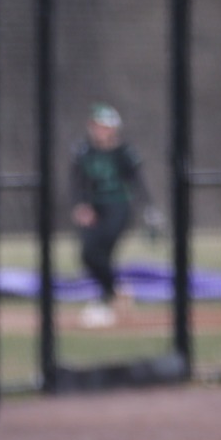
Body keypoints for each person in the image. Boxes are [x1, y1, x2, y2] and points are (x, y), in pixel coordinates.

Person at [69, 104, 158, 329]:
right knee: (88, 254)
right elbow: (76, 182)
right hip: (95, 207)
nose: (101, 131)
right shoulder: (83, 151)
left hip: (118, 205)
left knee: (103, 249)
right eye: (97, 126)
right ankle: (114, 292)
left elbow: (138, 182)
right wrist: (81, 205)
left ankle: (106, 298)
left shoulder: (124, 152)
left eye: (105, 127)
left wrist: (149, 209)